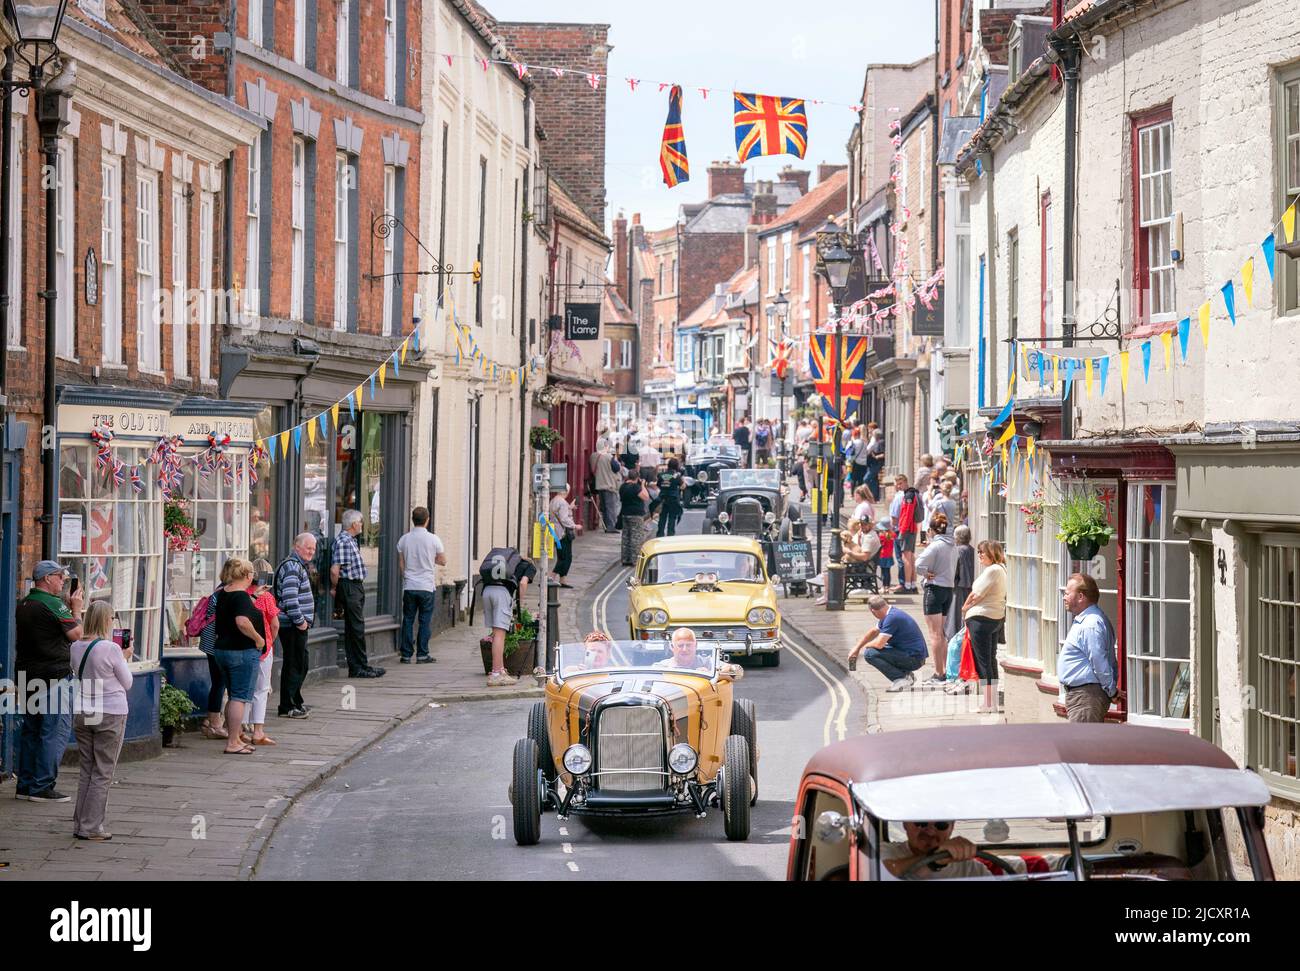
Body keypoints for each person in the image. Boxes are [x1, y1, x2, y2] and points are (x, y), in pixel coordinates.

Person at [15, 560, 84, 802]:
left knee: (31, 731)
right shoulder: (54, 604)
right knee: (53, 732)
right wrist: (76, 608)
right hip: (53, 677)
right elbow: (76, 635)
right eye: (59, 576)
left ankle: (25, 785)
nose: (63, 580)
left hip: (27, 675)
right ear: (46, 579)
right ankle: (42, 787)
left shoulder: (24, 603)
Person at [69, 601, 132, 839]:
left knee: (87, 769)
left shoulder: (75, 646)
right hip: (110, 712)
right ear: (107, 621)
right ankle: (91, 827)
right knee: (103, 772)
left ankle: (80, 824)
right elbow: (127, 683)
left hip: (84, 711)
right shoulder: (110, 648)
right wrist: (124, 656)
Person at [212, 559, 267, 755]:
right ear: (247, 575)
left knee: (233, 695)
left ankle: (234, 738)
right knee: (239, 697)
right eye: (251, 573)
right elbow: (242, 621)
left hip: (222, 650)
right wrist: (258, 638)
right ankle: (233, 743)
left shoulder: (224, 593)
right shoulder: (241, 596)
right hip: (241, 651)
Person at [1058, 572, 1119, 723]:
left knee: (1081, 745)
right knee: (1082, 744)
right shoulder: (1088, 620)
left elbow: (1099, 661)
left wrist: (1112, 691)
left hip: (1086, 697)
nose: (1064, 597)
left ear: (1080, 597)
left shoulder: (1090, 624)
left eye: (1067, 593)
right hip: (1083, 696)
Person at [332, 509, 384, 678]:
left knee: (354, 628)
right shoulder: (343, 541)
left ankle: (358, 666)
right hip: (349, 586)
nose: (362, 524)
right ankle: (360, 667)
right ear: (354, 524)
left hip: (355, 586)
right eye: (360, 522)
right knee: (356, 627)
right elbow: (335, 570)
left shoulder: (351, 540)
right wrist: (335, 588)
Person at [961, 541, 1008, 712]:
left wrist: (964, 608)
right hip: (995, 618)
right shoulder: (1001, 569)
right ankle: (991, 702)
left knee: (983, 662)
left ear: (992, 553)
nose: (979, 555)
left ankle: (988, 703)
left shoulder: (993, 570)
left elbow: (976, 595)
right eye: (979, 552)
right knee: (990, 660)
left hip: (981, 619)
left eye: (983, 552)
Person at [848, 595, 929, 691]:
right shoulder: (891, 613)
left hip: (914, 659)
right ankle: (907, 675)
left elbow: (879, 644)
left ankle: (901, 679)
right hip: (913, 656)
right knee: (878, 650)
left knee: (870, 653)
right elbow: (874, 632)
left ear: (873, 611)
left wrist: (864, 647)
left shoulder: (892, 618)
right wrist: (856, 648)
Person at [397, 507, 447, 660]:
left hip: (410, 586)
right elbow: (443, 561)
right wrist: (431, 559)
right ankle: (422, 654)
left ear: (413, 520)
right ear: (427, 520)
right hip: (426, 586)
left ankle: (406, 654)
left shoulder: (404, 539)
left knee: (408, 619)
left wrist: (406, 577)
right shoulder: (433, 539)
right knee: (424, 620)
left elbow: (401, 564)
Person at [881, 822, 1014, 879]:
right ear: (905, 823)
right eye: (921, 822)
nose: (931, 831)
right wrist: (934, 859)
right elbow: (884, 872)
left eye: (941, 824)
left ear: (951, 828)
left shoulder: (972, 870)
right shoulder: (887, 852)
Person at [275, 532, 316, 719]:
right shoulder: (293, 566)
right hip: (292, 625)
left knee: (300, 663)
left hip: (294, 625)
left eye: (313, 549)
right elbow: (290, 598)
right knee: (295, 664)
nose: (311, 552)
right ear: (297, 547)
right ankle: (287, 706)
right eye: (308, 548)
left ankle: (295, 702)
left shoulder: (296, 564)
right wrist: (300, 622)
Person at [481, 551, 537, 687]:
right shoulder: (530, 566)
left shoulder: (504, 560)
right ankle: (495, 674)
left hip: (487, 591)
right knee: (500, 635)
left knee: (496, 634)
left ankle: (500, 671)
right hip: (501, 593)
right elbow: (523, 584)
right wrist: (519, 605)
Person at [914, 511, 958, 684]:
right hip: (948, 591)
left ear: (932, 530)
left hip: (934, 590)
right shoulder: (952, 545)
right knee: (941, 634)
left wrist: (926, 573)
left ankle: (938, 673)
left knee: (934, 635)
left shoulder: (934, 546)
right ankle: (946, 670)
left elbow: (918, 564)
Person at [240, 564, 279, 746]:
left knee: (242, 689)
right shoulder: (267, 598)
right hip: (263, 648)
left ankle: (239, 730)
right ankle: (258, 732)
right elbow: (275, 624)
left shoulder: (243, 595)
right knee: (261, 690)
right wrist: (270, 642)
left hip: (241, 647)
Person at [889, 475, 923, 593]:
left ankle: (907, 585)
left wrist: (902, 530)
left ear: (905, 482)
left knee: (905, 557)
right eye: (897, 484)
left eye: (900, 483)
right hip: (911, 529)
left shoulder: (908, 495)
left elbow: (907, 515)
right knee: (910, 557)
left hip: (906, 529)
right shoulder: (913, 493)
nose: (898, 486)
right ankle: (912, 584)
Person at [947, 525, 976, 641]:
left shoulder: (957, 551)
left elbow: (953, 571)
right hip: (970, 587)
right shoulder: (972, 550)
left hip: (958, 586)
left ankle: (956, 637)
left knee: (956, 615)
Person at [547, 488, 580, 588]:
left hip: (555, 532)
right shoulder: (563, 503)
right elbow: (564, 518)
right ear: (566, 492)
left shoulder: (553, 501)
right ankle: (550, 577)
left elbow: (559, 514)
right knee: (566, 558)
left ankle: (563, 579)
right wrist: (575, 526)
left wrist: (570, 507)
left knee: (562, 556)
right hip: (563, 533)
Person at [618, 468, 650, 566]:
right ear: (637, 477)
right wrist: (643, 485)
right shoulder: (636, 487)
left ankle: (625, 559)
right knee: (636, 537)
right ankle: (635, 560)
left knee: (626, 537)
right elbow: (645, 497)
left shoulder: (623, 486)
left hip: (625, 513)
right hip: (636, 514)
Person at [589, 443, 621, 533]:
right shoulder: (608, 457)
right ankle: (611, 526)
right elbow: (617, 468)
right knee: (611, 507)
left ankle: (607, 525)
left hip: (599, 484)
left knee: (604, 507)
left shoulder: (593, 456)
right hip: (609, 484)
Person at [655, 458, 685, 537]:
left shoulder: (661, 475)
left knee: (662, 517)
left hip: (663, 499)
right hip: (673, 499)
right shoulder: (676, 476)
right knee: (672, 518)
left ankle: (660, 534)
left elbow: (658, 485)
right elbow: (683, 486)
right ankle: (670, 535)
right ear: (676, 466)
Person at [865, 427, 885, 501]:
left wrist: (876, 456)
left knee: (866, 479)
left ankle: (869, 496)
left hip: (877, 464)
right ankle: (875, 497)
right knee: (874, 480)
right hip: (872, 463)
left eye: (873, 435)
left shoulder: (881, 442)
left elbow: (884, 454)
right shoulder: (876, 442)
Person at [876, 520, 896, 589]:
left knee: (883, 572)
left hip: (882, 556)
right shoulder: (892, 535)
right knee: (887, 572)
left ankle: (884, 586)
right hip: (889, 556)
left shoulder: (882, 537)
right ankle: (887, 585)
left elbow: (879, 544)